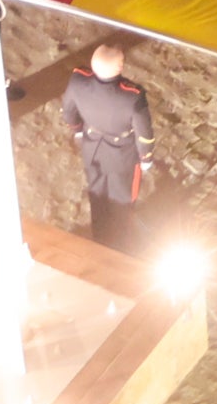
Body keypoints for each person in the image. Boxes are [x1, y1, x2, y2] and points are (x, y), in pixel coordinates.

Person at [61, 44, 156, 253]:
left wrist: (78, 129)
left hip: (92, 146)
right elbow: (144, 132)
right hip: (122, 154)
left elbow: (68, 111)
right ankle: (120, 243)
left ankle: (100, 234)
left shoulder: (78, 81)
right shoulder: (133, 96)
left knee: (97, 192)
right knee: (122, 197)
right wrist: (146, 157)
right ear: (119, 67)